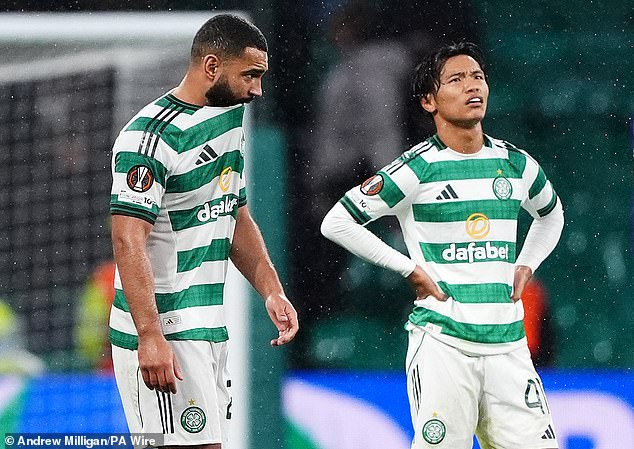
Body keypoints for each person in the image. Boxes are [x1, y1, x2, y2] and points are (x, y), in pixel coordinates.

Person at [321, 42, 564, 449]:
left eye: (478, 77)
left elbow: (551, 214)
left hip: (509, 348)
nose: (472, 86)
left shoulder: (516, 163)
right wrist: (408, 268)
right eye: (456, 79)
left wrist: (527, 263)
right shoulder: (416, 169)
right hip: (444, 346)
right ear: (428, 101)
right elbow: (337, 222)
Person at [109, 14, 298, 448]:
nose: (257, 90)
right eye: (250, 75)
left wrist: (271, 288)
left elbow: (234, 210)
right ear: (212, 66)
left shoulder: (229, 118)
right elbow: (127, 238)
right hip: (166, 326)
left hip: (207, 324)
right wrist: (149, 336)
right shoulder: (149, 138)